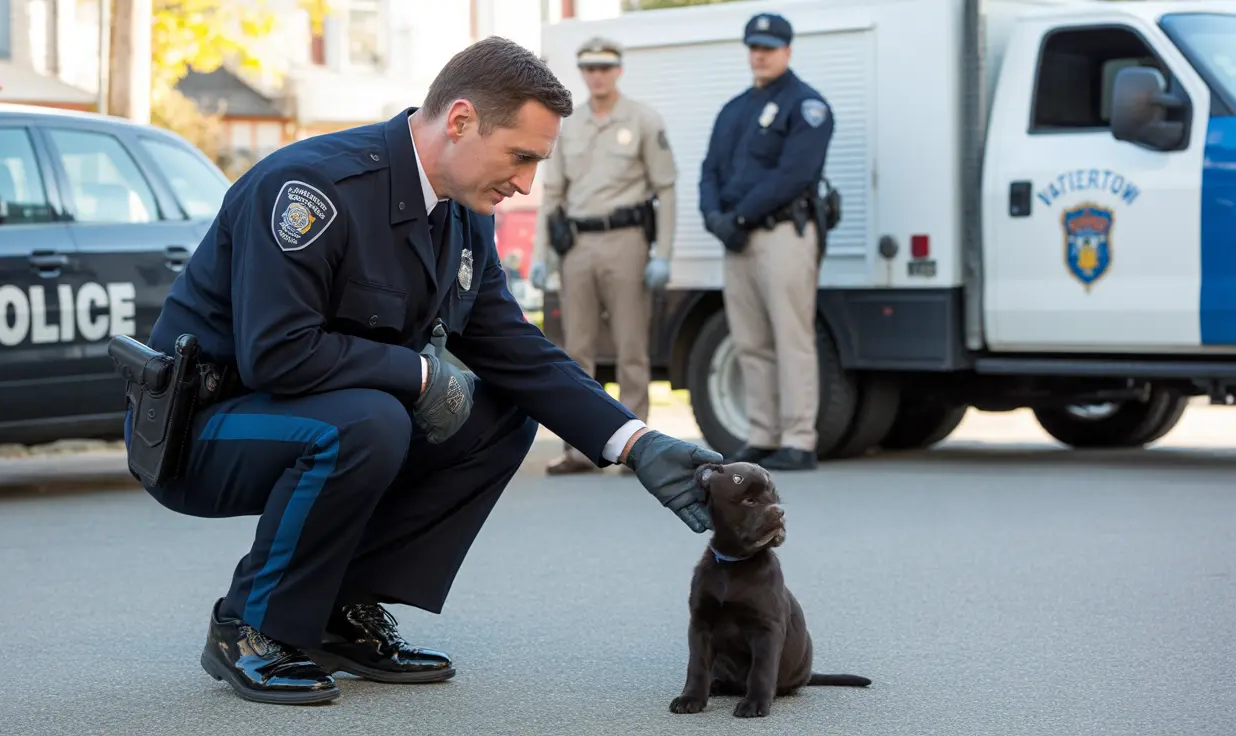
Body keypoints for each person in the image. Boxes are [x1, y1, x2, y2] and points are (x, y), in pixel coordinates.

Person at [126, 36, 722, 706]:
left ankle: (338, 609)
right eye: (521, 156)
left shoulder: (463, 216)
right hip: (208, 430)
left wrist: (637, 444)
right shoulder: (313, 189)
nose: (527, 183)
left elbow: (513, 348)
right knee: (369, 421)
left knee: (499, 416)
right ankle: (250, 625)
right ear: (462, 120)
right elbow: (278, 353)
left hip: (323, 415)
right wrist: (415, 374)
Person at [529, 36, 678, 476]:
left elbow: (665, 189)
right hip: (577, 244)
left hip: (626, 240)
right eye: (589, 67)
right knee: (577, 350)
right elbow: (553, 192)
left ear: (618, 70)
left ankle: (638, 449)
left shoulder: (643, 120)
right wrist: (543, 254)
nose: (597, 75)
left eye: (604, 67)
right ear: (582, 72)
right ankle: (579, 447)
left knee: (632, 348)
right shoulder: (566, 125)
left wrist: (662, 253)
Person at [697, 12, 835, 472]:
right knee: (750, 341)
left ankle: (798, 437)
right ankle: (763, 433)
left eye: (769, 47)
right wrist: (715, 219)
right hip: (737, 240)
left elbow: (795, 174)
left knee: (791, 338)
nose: (760, 55)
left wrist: (738, 214)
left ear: (788, 51)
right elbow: (710, 170)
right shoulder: (735, 108)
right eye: (754, 47)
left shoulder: (807, 106)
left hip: (782, 237)